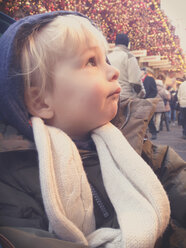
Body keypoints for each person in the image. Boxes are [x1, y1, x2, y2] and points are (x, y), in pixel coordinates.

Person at [0, 11, 186, 248]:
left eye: (105, 59)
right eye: (91, 61)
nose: (113, 71)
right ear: (41, 102)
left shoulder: (138, 147)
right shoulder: (12, 177)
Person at [107, 33, 145, 101]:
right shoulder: (129, 56)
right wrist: (141, 94)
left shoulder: (108, 57)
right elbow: (135, 81)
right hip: (126, 98)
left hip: (111, 97)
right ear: (127, 44)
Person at [142, 68, 158, 140]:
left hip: (148, 101)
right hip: (139, 102)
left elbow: (154, 91)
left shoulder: (150, 79)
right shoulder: (137, 80)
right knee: (140, 119)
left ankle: (153, 133)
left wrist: (149, 99)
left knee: (149, 118)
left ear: (144, 72)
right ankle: (142, 134)